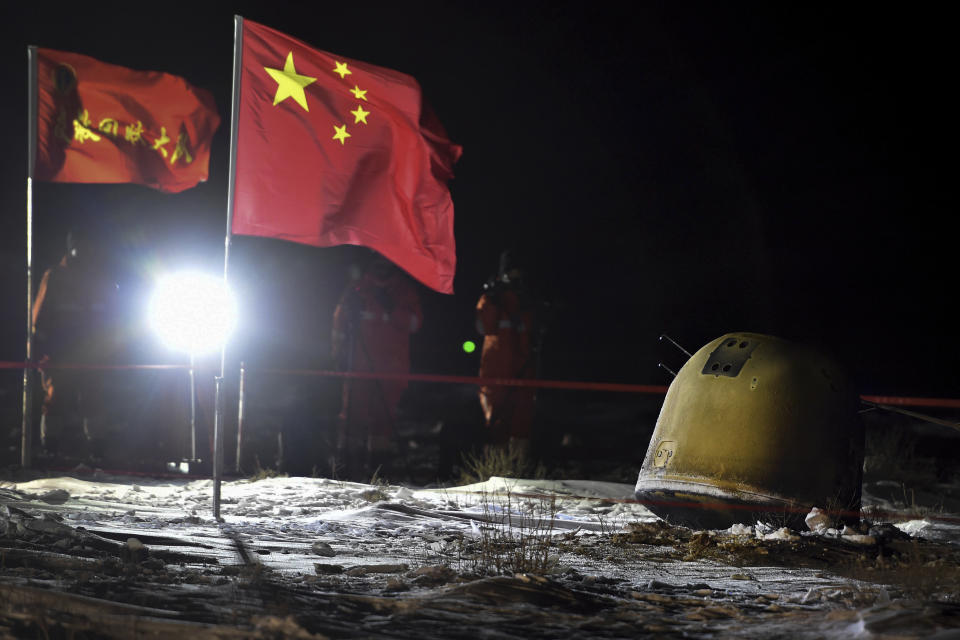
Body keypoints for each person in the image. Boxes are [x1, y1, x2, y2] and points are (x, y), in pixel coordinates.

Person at [32, 230, 123, 460]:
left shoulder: (102, 279)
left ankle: (98, 450)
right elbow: (39, 318)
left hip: (95, 353)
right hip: (62, 353)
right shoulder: (56, 277)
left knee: (96, 398)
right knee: (56, 398)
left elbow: (115, 318)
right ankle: (50, 449)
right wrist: (41, 352)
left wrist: (113, 350)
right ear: (71, 248)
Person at [331, 254, 422, 479]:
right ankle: (347, 472)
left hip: (391, 371)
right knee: (352, 419)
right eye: (378, 262)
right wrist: (338, 358)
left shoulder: (404, 291)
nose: (383, 267)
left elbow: (415, 324)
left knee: (383, 423)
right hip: (358, 369)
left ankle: (378, 474)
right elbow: (339, 327)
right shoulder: (357, 290)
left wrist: (392, 309)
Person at [475, 250, 541, 457]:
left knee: (522, 422)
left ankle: (519, 475)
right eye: (511, 273)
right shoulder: (491, 297)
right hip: (496, 371)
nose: (515, 278)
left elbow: (535, 332)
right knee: (495, 423)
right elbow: (483, 327)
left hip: (524, 370)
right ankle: (493, 474)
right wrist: (493, 301)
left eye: (518, 273)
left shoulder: (528, 298)